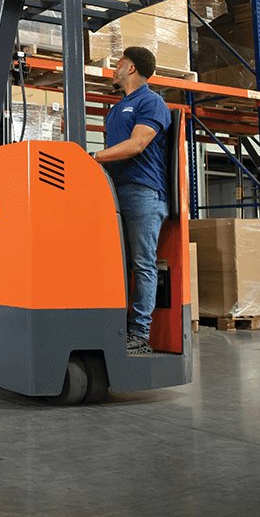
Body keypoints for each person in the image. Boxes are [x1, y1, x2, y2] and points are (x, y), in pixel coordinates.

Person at [91, 46, 171, 355]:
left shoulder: (151, 102)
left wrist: (93, 158)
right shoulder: (118, 107)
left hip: (142, 193)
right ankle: (117, 326)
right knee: (116, 264)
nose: (114, 67)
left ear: (132, 68)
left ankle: (140, 333)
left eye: (119, 63)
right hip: (116, 190)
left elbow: (137, 144)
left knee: (142, 263)